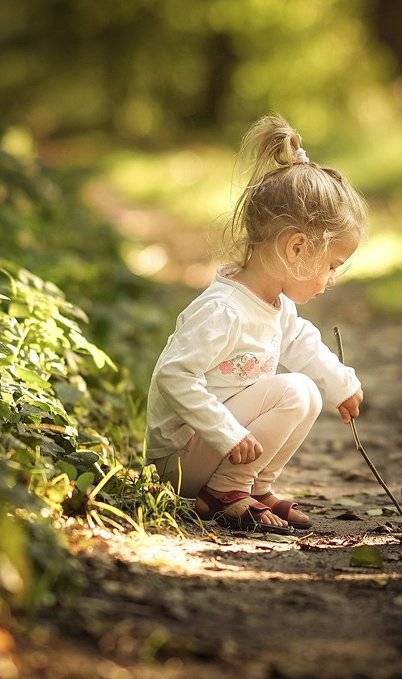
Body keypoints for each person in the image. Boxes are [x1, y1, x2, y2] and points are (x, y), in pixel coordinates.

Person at [145, 115, 367, 533]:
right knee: (295, 390)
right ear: (297, 247)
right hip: (178, 462)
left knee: (309, 394)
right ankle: (226, 490)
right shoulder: (223, 310)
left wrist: (340, 383)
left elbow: (302, 343)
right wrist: (225, 432)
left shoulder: (275, 306)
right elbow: (174, 376)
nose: (332, 279)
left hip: (215, 449)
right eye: (332, 265)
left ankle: (252, 486)